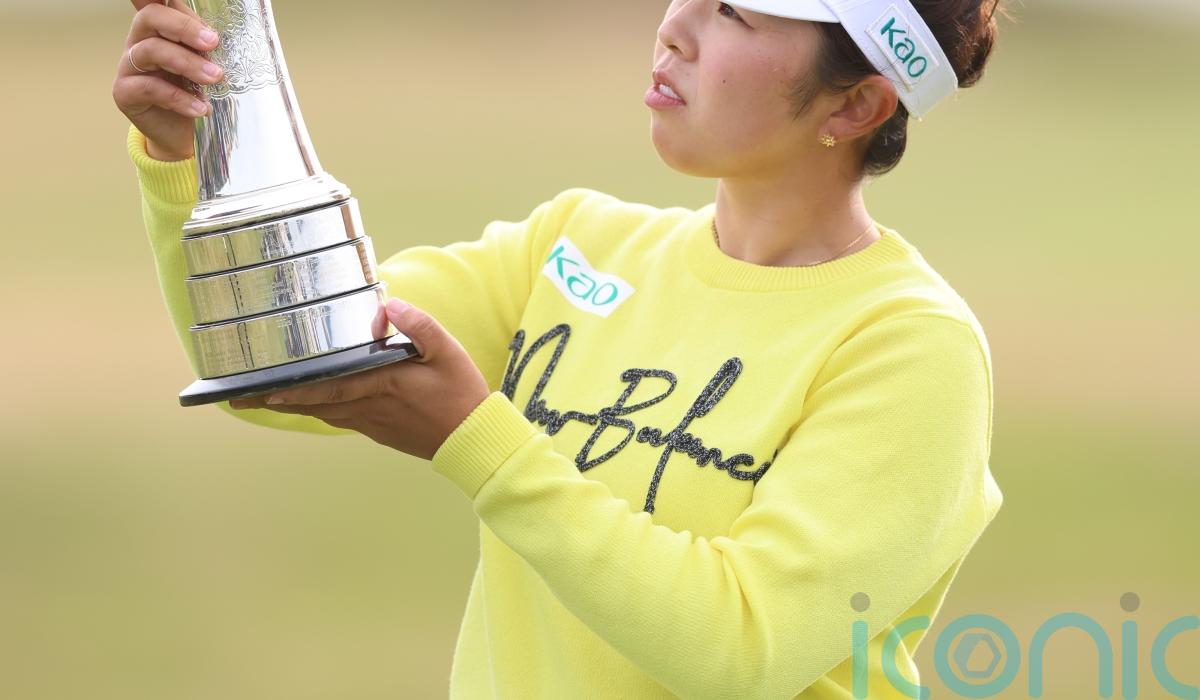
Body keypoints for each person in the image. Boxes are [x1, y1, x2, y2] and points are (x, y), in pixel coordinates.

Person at [113, 0, 1008, 696]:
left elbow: (741, 650)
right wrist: (195, 158)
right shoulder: (574, 244)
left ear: (856, 103)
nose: (676, 29)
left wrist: (478, 442)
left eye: (735, 10)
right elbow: (279, 364)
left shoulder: (910, 347)